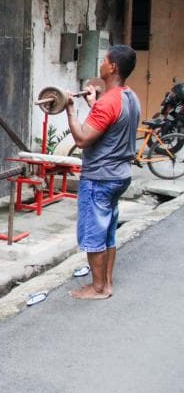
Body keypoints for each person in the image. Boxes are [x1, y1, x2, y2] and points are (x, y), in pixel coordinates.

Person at [65, 45, 141, 300]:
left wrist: (70, 109)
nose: (101, 65)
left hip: (99, 177)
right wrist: (93, 105)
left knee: (94, 233)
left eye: (104, 61)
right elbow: (109, 126)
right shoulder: (130, 97)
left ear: (112, 68)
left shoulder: (108, 102)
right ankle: (107, 283)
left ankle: (97, 288)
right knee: (108, 232)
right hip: (120, 175)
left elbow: (83, 139)